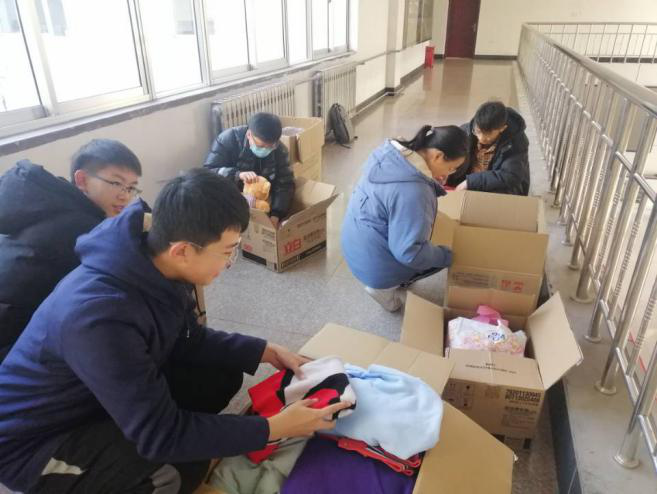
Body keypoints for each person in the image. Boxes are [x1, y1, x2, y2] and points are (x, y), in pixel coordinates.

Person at [0, 169, 350, 494]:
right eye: (227, 252)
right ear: (182, 251)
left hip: (96, 397)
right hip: (35, 441)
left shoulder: (153, 262)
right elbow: (161, 437)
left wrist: (263, 350)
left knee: (222, 374)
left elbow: (187, 338)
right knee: (175, 472)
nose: (228, 264)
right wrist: (275, 428)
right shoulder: (99, 318)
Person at [0, 139, 142, 362]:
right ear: (82, 180)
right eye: (116, 183)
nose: (125, 196)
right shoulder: (83, 229)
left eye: (131, 187)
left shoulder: (50, 202)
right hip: (16, 349)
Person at [341, 125, 469, 312]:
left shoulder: (391, 154)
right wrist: (446, 256)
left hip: (353, 247)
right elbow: (409, 253)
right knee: (440, 256)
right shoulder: (415, 191)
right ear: (438, 156)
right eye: (451, 168)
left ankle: (388, 281)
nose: (449, 174)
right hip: (374, 268)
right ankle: (384, 289)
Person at [204, 112, 295, 228]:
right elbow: (208, 172)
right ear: (249, 134)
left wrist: (276, 215)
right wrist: (237, 175)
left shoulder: (280, 150)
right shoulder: (227, 140)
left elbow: (285, 184)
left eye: (270, 147)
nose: (265, 150)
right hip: (231, 199)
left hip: (262, 201)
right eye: (261, 146)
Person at [446, 101, 530, 195]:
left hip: (495, 185)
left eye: (488, 134)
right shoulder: (466, 130)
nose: (481, 138)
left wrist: (470, 182)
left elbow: (510, 175)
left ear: (502, 128)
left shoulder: (516, 142)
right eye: (478, 131)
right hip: (467, 179)